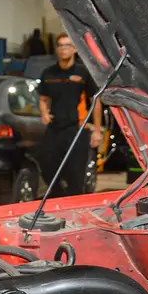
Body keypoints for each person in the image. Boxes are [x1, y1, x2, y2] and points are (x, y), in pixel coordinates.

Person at [37, 33, 104, 197]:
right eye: (60, 45)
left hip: (77, 130)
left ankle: (74, 207)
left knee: (76, 175)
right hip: (55, 129)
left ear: (74, 49)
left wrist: (96, 130)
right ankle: (58, 196)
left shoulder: (83, 73)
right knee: (46, 166)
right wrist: (44, 113)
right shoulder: (48, 73)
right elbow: (42, 99)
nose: (63, 49)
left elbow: (95, 101)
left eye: (67, 45)